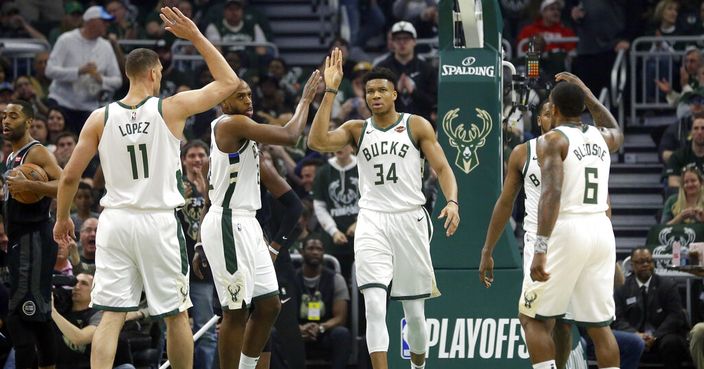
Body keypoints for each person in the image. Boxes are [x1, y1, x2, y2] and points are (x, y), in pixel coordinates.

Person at [52, 7, 240, 369]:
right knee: (176, 313)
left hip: (116, 222)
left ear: (127, 74)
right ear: (155, 73)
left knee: (110, 315)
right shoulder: (171, 108)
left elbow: (71, 176)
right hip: (157, 222)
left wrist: (63, 218)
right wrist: (196, 36)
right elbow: (229, 83)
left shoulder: (99, 117)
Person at [308, 49, 460, 369]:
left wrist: (452, 202)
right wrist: (331, 90)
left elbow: (444, 169)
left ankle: (417, 366)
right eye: (370, 91)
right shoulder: (356, 129)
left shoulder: (416, 125)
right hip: (372, 220)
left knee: (414, 315)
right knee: (375, 305)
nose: (375, 96)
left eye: (381, 91)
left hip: (410, 219)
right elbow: (317, 141)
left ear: (394, 94)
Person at [196, 69, 320, 369]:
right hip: (228, 222)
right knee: (236, 312)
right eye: (240, 96)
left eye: (250, 94)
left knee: (269, 306)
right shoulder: (231, 124)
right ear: (223, 103)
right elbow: (291, 136)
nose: (248, 99)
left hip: (247, 223)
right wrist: (305, 99)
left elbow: (212, 190)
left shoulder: (244, 137)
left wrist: (200, 242)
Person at [518, 78, 623, 369]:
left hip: (568, 229)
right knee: (600, 327)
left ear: (556, 107)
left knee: (532, 318)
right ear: (583, 106)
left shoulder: (554, 139)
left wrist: (540, 247)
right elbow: (616, 127)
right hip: (601, 229)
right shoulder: (604, 137)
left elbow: (550, 195)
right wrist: (587, 92)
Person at [2, 100, 63, 369]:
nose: (5, 121)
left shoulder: (36, 152)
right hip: (20, 239)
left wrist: (27, 184)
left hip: (34, 239)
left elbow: (64, 183)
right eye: (4, 116)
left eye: (13, 116)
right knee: (39, 316)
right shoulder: (10, 156)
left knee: (20, 316)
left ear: (28, 122)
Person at [45, 5, 123, 134]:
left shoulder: (106, 46)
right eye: (103, 21)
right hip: (62, 102)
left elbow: (117, 80)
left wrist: (101, 79)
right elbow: (50, 70)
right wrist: (78, 71)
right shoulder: (66, 40)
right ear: (91, 22)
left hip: (88, 106)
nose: (107, 25)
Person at [614, 248, 690, 369]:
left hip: (661, 335)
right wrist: (635, 335)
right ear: (632, 265)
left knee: (672, 342)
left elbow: (675, 316)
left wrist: (655, 336)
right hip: (634, 335)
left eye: (649, 261)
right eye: (640, 262)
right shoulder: (622, 288)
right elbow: (618, 319)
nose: (645, 265)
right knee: (622, 341)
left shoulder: (667, 285)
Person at [51, 272, 141, 369]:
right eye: (75, 283)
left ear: (95, 290)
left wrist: (52, 311)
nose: (77, 287)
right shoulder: (62, 306)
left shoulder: (99, 315)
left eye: (84, 284)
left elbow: (80, 338)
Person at [295, 237, 352, 369]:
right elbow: (283, 317)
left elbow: (340, 318)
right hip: (296, 335)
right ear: (301, 252)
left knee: (342, 334)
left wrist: (320, 328)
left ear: (323, 253)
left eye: (319, 249)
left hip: (324, 333)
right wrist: (299, 329)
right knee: (273, 334)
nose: (315, 252)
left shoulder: (336, 279)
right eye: (310, 248)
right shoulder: (291, 279)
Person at [312, 143, 360, 280]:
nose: (339, 147)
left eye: (344, 144)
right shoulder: (323, 172)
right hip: (333, 242)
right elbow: (319, 205)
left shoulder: (363, 167)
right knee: (337, 283)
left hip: (361, 238)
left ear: (352, 147)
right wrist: (333, 231)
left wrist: (360, 222)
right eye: (335, 144)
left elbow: (373, 199)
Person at [375, 21, 437, 121]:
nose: (402, 43)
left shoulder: (427, 69)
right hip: (389, 124)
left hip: (421, 123)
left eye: (406, 38)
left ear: (414, 41)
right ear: (392, 42)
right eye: (398, 39)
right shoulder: (381, 69)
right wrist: (396, 92)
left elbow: (433, 102)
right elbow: (375, 102)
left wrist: (413, 91)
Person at [665, 117, 704, 188]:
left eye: (703, 128)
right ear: (691, 133)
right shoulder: (678, 156)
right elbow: (673, 182)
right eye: (696, 128)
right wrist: (694, 191)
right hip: (687, 196)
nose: (700, 132)